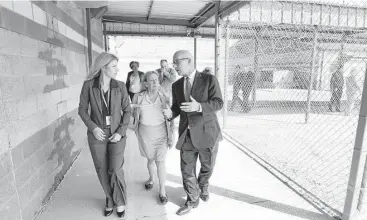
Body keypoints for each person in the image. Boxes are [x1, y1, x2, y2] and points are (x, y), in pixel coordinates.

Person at [163, 50, 223, 216]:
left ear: (188, 61)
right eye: (173, 62)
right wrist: (171, 113)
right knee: (186, 170)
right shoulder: (176, 85)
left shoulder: (209, 79)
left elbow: (218, 103)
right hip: (187, 134)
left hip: (207, 133)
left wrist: (199, 107)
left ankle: (203, 184)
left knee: (207, 166)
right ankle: (192, 199)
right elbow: (177, 107)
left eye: (177, 62)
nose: (174, 66)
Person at [78, 52, 131, 218]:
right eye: (114, 66)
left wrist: (120, 132)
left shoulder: (120, 86)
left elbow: (128, 111)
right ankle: (109, 199)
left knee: (115, 169)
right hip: (97, 135)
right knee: (102, 169)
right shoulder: (88, 85)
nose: (117, 69)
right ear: (103, 67)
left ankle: (119, 200)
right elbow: (82, 109)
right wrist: (93, 127)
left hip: (116, 134)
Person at [131, 71, 174, 204]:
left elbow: (172, 115)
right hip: (145, 133)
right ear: (145, 83)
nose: (155, 82)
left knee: (160, 161)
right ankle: (151, 178)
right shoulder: (139, 97)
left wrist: (172, 134)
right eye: (151, 80)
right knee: (150, 159)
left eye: (157, 80)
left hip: (161, 133)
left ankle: (162, 190)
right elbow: (133, 114)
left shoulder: (164, 96)